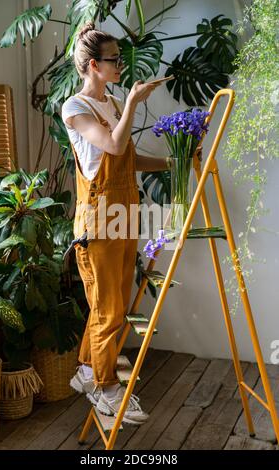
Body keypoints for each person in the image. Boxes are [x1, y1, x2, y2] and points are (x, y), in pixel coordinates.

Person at [62, 21, 174, 426]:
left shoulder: (111, 102)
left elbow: (127, 158)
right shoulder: (75, 108)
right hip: (97, 218)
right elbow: (112, 144)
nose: (121, 67)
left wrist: (172, 162)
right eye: (114, 61)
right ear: (93, 65)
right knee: (107, 309)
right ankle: (105, 386)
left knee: (114, 306)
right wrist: (132, 105)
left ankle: (87, 372)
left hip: (124, 211)